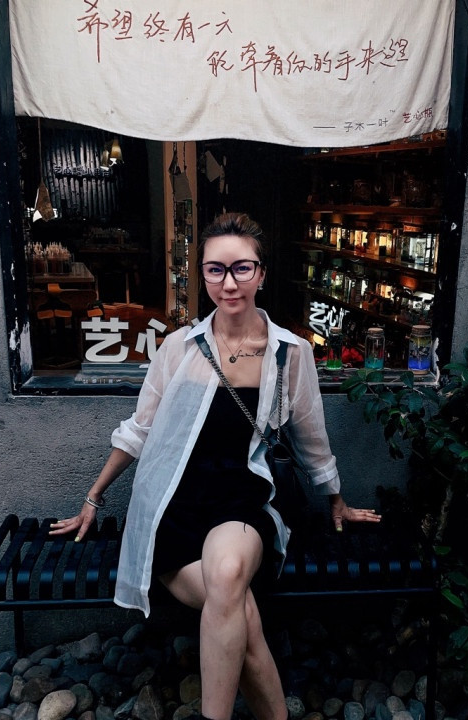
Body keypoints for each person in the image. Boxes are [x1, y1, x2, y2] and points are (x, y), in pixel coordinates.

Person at [49, 212, 381, 720]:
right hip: (176, 508)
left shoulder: (289, 354)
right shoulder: (180, 348)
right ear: (202, 275)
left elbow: (312, 437)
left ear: (261, 273)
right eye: (215, 270)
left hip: (244, 503)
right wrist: (93, 498)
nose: (229, 283)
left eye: (242, 268)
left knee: (227, 573)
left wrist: (335, 498)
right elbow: (139, 429)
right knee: (239, 610)